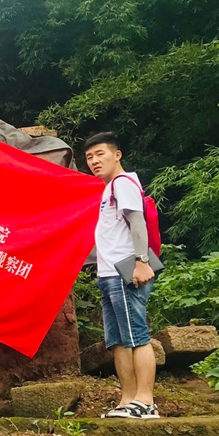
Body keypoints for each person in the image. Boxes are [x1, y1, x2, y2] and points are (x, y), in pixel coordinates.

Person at [84, 132, 158, 420]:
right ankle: (128, 400)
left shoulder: (123, 183)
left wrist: (142, 262)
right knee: (117, 340)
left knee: (136, 335)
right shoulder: (107, 190)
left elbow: (137, 223)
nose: (94, 161)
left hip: (126, 271)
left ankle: (146, 400)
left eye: (100, 154)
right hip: (108, 274)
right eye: (89, 157)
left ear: (117, 155)